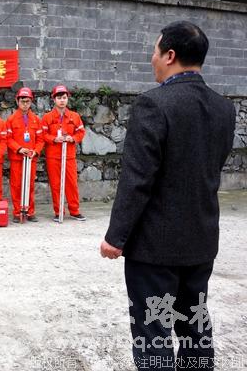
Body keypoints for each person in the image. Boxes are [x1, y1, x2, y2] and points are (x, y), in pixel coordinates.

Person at [100, 21, 236, 370]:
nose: (152, 58)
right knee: (194, 326)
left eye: (155, 51)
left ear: (170, 55)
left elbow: (137, 179)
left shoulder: (154, 104)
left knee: (154, 334)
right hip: (201, 241)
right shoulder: (224, 109)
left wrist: (116, 237)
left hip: (155, 249)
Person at [42, 85, 86, 221]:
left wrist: (73, 138)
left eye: (64, 98)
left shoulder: (74, 116)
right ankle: (58, 211)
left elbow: (81, 132)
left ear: (67, 99)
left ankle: (74, 210)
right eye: (59, 98)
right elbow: (43, 134)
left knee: (72, 183)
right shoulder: (47, 117)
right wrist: (54, 139)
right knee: (55, 184)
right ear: (54, 99)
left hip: (69, 156)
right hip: (53, 156)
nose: (62, 100)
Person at [6, 87, 44, 223]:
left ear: (31, 102)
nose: (25, 104)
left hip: (31, 158)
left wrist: (36, 151)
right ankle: (17, 212)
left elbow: (40, 140)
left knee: (30, 185)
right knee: (16, 185)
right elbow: (8, 139)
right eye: (22, 101)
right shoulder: (11, 119)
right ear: (17, 101)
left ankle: (30, 211)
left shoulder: (36, 120)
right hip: (17, 158)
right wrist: (19, 149)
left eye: (28, 101)